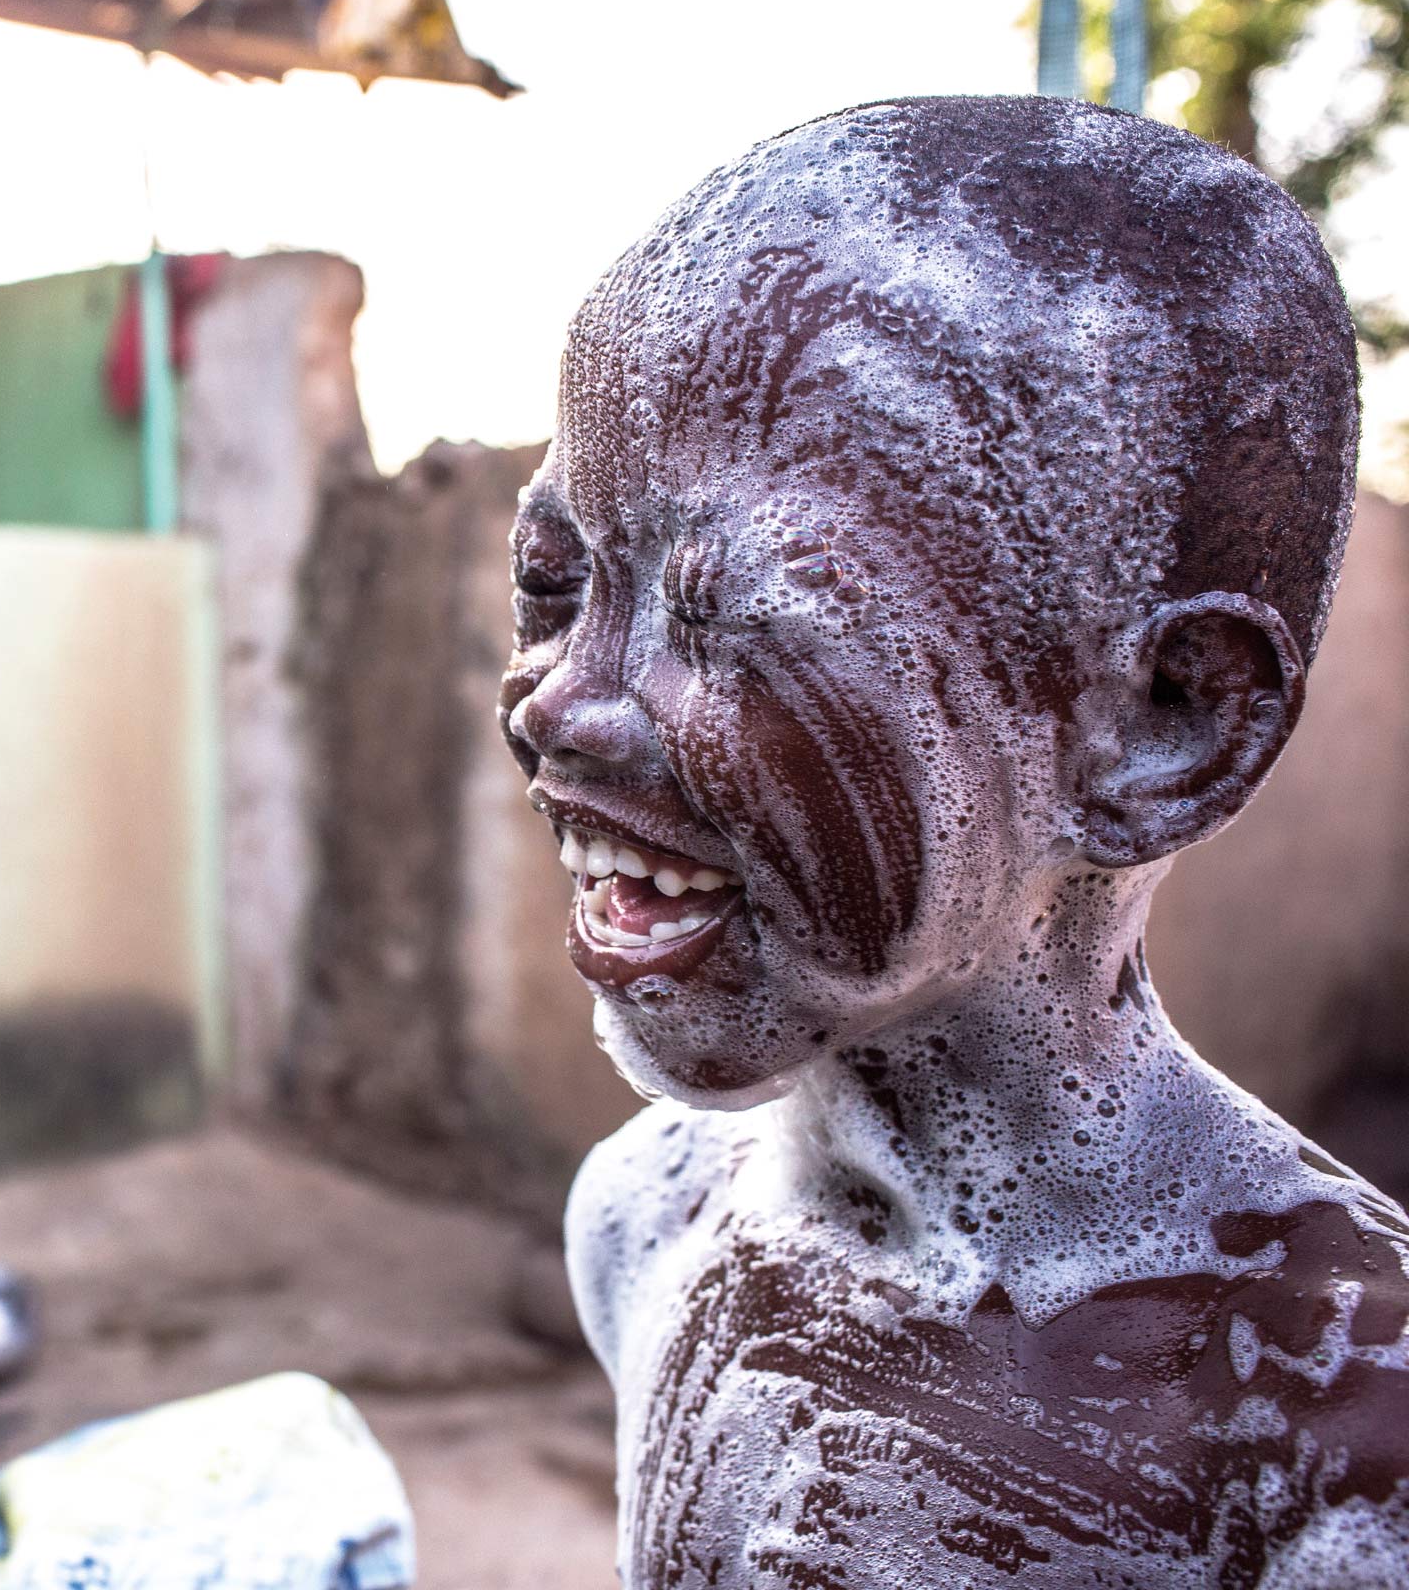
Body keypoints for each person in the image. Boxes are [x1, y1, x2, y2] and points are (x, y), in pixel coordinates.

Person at [498, 95, 1409, 1588]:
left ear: (1165, 729)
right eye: (552, 586)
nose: (558, 706)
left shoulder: (1325, 1443)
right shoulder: (649, 1219)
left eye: (730, 622)